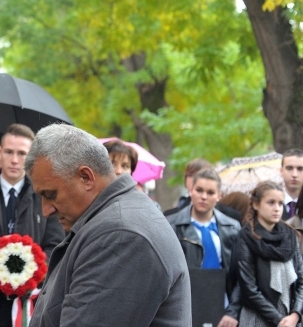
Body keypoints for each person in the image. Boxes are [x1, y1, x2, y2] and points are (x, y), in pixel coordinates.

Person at [26, 124, 191, 327]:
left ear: (86, 177)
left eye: (51, 195)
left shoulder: (120, 235)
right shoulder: (114, 221)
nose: (45, 210)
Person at [0, 124, 64, 327]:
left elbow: (56, 247)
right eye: (9, 152)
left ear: (32, 156)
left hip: (30, 300)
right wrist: (1, 252)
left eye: (22, 153)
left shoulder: (46, 195)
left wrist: (29, 267)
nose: (15, 160)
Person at [165, 168, 241, 327]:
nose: (204, 197)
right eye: (199, 190)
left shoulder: (232, 228)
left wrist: (233, 312)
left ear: (219, 195)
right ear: (190, 190)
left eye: (210, 192)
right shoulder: (171, 224)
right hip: (184, 306)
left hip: (223, 309)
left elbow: (242, 275)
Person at [236, 181, 303, 326]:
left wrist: (295, 315)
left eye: (280, 203)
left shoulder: (291, 236)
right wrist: (278, 320)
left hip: (291, 319)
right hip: (257, 318)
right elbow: (249, 289)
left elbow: (302, 281)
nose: (277, 208)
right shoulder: (246, 237)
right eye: (271, 203)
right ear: (256, 204)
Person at [281, 149, 303, 220]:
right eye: (289, 168)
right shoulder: (270, 204)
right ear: (281, 171)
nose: (294, 174)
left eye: (300, 169)